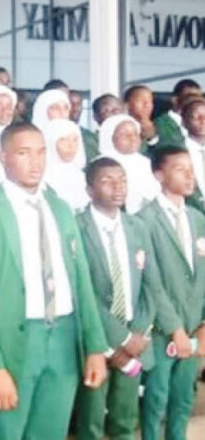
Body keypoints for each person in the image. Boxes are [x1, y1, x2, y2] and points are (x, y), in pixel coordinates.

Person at [0, 122, 108, 440]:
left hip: (63, 337)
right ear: (3, 157)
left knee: (50, 433)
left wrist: (95, 347)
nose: (36, 162)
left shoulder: (60, 209)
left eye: (41, 152)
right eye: (24, 153)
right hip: (14, 342)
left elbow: (81, 281)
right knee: (6, 432)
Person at [75, 157, 160, 440]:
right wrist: (120, 340)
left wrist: (138, 334)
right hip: (96, 341)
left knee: (125, 421)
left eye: (121, 180)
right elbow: (82, 292)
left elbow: (151, 286)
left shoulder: (137, 227)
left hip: (135, 340)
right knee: (91, 421)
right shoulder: (76, 228)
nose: (117, 187)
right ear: (89, 189)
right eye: (107, 181)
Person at [137, 145, 205, 440]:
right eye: (180, 169)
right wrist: (175, 328)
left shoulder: (197, 218)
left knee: (183, 401)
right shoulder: (144, 220)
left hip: (193, 325)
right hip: (161, 329)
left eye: (191, 168)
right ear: (159, 174)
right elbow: (151, 281)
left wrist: (203, 325)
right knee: (156, 399)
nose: (189, 175)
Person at [98, 114, 160, 214]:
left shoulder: (146, 162)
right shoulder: (100, 166)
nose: (132, 138)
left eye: (135, 133)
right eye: (124, 134)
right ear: (110, 137)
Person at [43, 119, 90, 212]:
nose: (71, 146)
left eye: (75, 140)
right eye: (63, 140)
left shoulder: (81, 176)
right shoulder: (42, 178)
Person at [183, 97, 205, 215]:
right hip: (191, 215)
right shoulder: (177, 149)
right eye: (196, 116)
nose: (202, 121)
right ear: (184, 121)